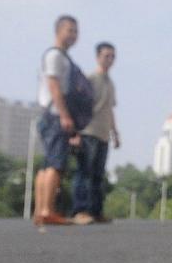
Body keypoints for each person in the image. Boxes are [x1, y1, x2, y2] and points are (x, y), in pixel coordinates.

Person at [34, 15, 81, 226]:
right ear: (59, 31)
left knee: (46, 165)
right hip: (54, 115)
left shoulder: (59, 56)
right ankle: (47, 209)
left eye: (75, 31)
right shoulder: (55, 56)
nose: (73, 35)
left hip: (49, 114)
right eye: (70, 30)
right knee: (56, 164)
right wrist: (65, 115)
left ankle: (40, 210)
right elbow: (54, 86)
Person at [72, 42, 120, 224]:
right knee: (84, 172)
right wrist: (75, 132)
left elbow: (110, 109)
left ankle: (96, 211)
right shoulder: (90, 79)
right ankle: (80, 210)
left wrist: (115, 133)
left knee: (98, 175)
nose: (110, 59)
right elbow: (78, 104)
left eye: (113, 56)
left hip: (103, 133)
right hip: (88, 131)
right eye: (107, 56)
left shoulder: (111, 83)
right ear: (98, 57)